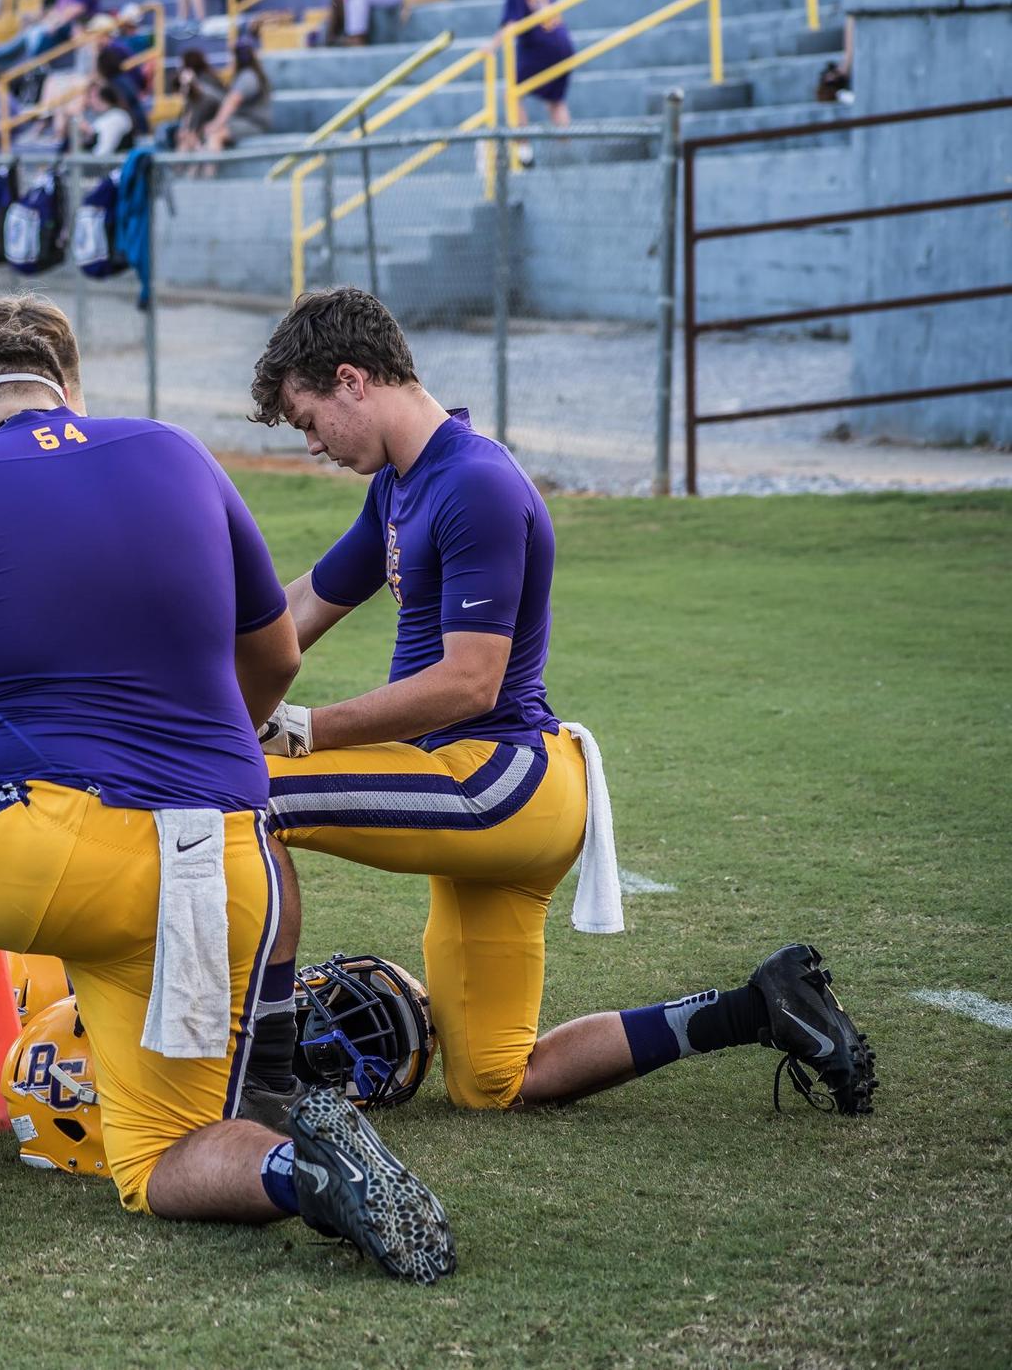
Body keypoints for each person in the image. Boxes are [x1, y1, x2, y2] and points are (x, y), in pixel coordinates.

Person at [0, 295, 456, 1286]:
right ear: (61, 391)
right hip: (225, 859)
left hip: (60, 845)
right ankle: (306, 1173)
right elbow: (273, 655)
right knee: (158, 1162)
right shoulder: (176, 452)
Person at [236, 287, 877, 1122]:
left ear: (352, 379)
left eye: (309, 418)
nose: (312, 443)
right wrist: (191, 681)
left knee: (250, 795)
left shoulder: (474, 482)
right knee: (494, 1083)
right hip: (478, 788)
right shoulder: (402, 484)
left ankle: (264, 1081)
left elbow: (472, 683)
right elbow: (294, 618)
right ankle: (761, 1006)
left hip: (503, 782)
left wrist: (300, 728)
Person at [493, 0, 574, 129]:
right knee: (556, 102)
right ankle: (569, 152)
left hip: (541, 48)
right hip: (563, 44)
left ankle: (523, 154)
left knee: (511, 94)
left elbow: (511, 25)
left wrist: (491, 46)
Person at [199, 39, 275, 154]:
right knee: (203, 132)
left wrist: (216, 124)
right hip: (241, 121)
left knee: (216, 135)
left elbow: (233, 100)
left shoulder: (248, 76)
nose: (231, 60)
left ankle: (210, 172)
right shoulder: (245, 74)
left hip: (254, 124)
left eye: (232, 56)